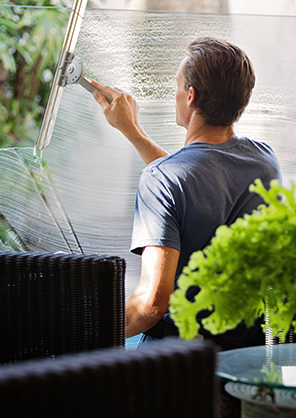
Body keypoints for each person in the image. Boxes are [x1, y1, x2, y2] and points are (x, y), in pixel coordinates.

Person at [91, 37, 282, 350]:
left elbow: (151, 305)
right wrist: (134, 132)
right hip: (245, 352)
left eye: (178, 86)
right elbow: (198, 178)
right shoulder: (264, 161)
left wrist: (82, 329)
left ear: (191, 96)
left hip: (180, 361)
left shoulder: (162, 179)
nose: (176, 93)